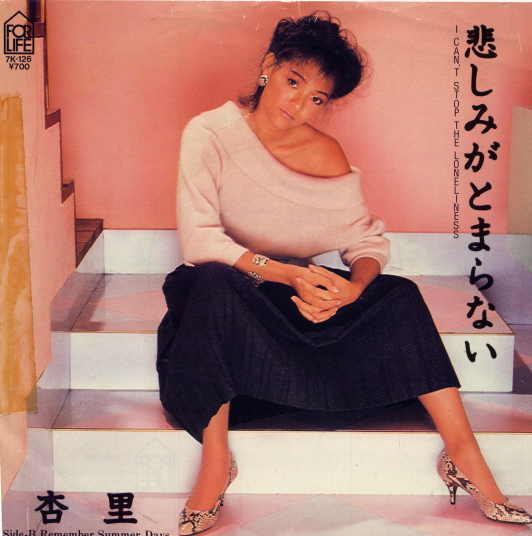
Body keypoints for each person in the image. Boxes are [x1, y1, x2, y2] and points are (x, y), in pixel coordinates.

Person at [156, 11, 532, 535]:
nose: (298, 104)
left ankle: (464, 455)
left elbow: (365, 243)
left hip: (291, 302)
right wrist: (289, 275)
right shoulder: (209, 132)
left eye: (317, 98)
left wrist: (352, 289)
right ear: (269, 66)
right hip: (226, 304)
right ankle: (216, 462)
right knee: (211, 282)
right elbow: (201, 241)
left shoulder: (324, 152)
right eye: (293, 82)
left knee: (396, 294)